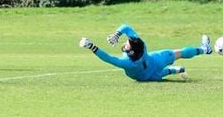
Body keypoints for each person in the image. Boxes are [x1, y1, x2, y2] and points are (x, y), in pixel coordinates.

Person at [79, 24, 212, 81]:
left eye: (127, 43)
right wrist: (117, 34)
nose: (125, 43)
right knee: (178, 53)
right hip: (154, 62)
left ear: (131, 50)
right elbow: (127, 27)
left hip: (143, 77)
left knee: (159, 74)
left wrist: (91, 46)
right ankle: (204, 49)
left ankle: (176, 70)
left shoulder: (127, 63)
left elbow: (108, 58)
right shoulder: (141, 45)